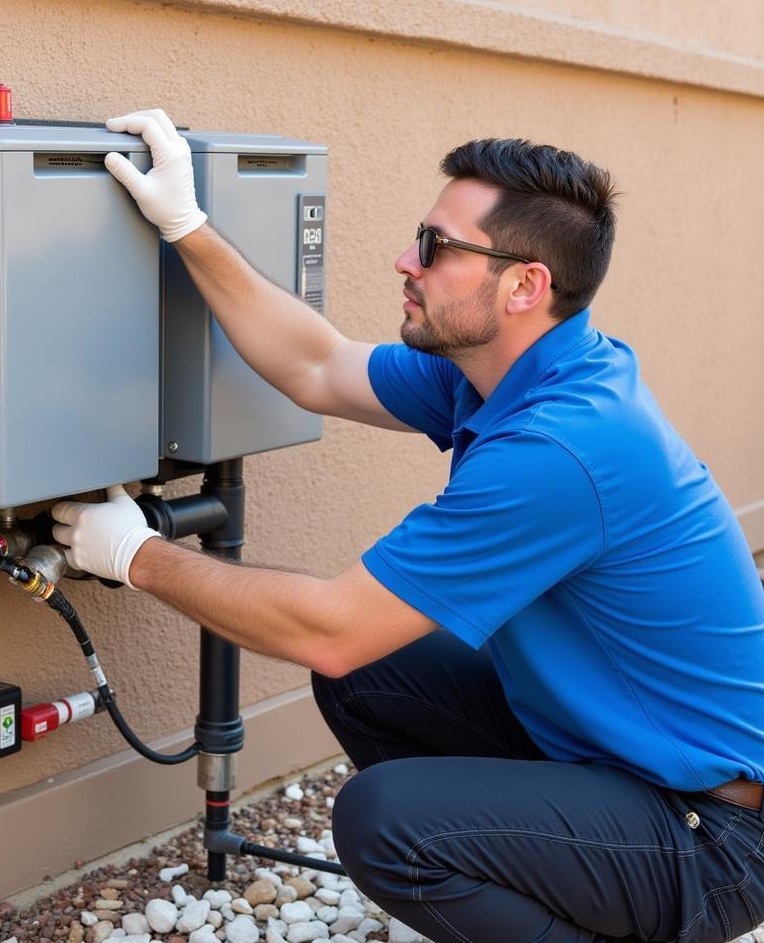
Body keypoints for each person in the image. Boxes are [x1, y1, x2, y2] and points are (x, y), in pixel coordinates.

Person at [52, 109, 764, 943]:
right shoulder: (508, 373)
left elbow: (332, 629)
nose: (405, 260)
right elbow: (316, 365)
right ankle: (539, 888)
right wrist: (187, 225)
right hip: (614, 758)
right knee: (375, 677)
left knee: (385, 820)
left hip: (709, 833)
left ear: (523, 286)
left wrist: (137, 556)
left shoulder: (562, 448)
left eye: (435, 246)